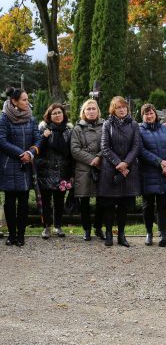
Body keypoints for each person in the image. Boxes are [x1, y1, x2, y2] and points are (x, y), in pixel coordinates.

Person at [98, 96, 141, 247]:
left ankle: (121, 235)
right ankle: (109, 234)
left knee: (123, 206)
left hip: (128, 170)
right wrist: (118, 163)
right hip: (110, 169)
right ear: (113, 110)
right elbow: (104, 146)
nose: (122, 110)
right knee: (109, 205)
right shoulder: (107, 124)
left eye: (124, 107)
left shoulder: (134, 124)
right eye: (118, 107)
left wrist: (126, 163)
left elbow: (136, 146)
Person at [0, 87, 41, 246]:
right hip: (9, 164)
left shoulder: (31, 118)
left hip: (26, 165)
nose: (27, 102)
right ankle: (11, 235)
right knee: (10, 202)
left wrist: (30, 153)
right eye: (24, 99)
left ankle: (21, 236)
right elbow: (2, 141)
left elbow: (38, 139)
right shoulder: (4, 118)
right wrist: (21, 153)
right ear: (14, 101)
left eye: (27, 99)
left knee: (23, 202)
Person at [139, 103, 166, 249]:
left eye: (151, 113)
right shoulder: (139, 130)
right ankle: (149, 232)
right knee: (148, 205)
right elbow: (141, 151)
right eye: (146, 114)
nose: (149, 116)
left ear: (155, 114)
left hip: (165, 173)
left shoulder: (165, 128)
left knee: (163, 206)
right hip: (148, 173)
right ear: (142, 116)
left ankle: (164, 236)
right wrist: (160, 162)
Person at [70, 99, 105, 241]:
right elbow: (74, 149)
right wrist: (93, 160)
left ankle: (98, 228)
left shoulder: (105, 126)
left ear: (98, 111)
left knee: (101, 200)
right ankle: (86, 229)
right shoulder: (77, 129)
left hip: (102, 167)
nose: (91, 111)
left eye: (93, 109)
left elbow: (109, 144)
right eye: (88, 109)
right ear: (83, 112)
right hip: (84, 169)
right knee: (84, 201)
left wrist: (99, 157)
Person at [37, 103, 73, 239]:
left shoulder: (69, 131)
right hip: (46, 170)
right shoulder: (43, 129)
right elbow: (38, 149)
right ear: (49, 116)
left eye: (59, 113)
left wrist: (72, 173)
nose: (57, 115)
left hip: (63, 171)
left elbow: (71, 153)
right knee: (46, 201)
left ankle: (58, 226)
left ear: (63, 114)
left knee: (59, 201)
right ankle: (46, 227)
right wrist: (44, 137)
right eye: (54, 113)